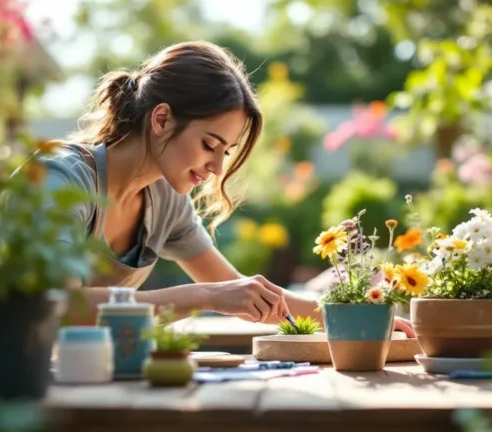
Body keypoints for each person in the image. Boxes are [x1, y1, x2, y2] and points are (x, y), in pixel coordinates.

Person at [40, 40, 414, 336]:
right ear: (162, 119)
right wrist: (203, 296)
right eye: (209, 145)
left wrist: (358, 320)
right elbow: (58, 307)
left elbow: (245, 294)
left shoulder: (165, 199)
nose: (218, 167)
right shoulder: (62, 180)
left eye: (226, 151)